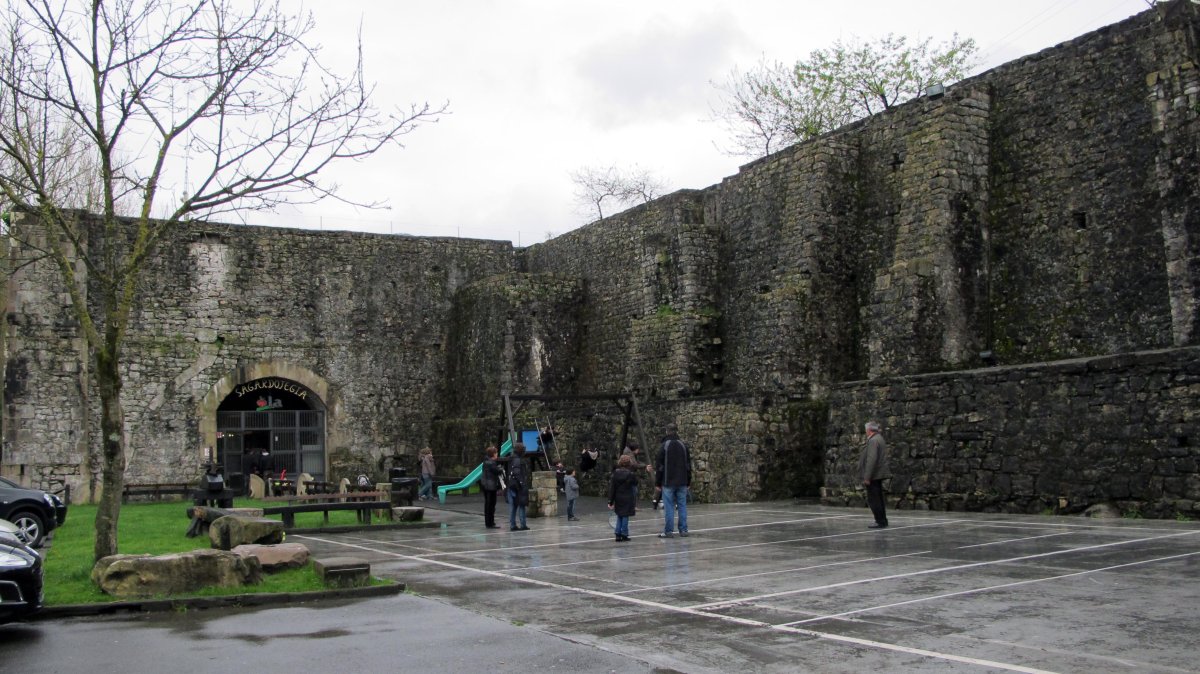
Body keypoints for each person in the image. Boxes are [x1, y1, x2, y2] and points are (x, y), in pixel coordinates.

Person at [655, 422, 691, 538]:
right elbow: (688, 465)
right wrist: (688, 481)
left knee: (669, 506)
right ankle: (683, 530)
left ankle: (668, 531)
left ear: (667, 431)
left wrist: (657, 482)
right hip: (682, 481)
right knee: (682, 506)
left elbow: (660, 466)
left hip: (668, 481)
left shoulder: (664, 446)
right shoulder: (683, 445)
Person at [860, 420, 890, 529]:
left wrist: (867, 477)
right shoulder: (879, 438)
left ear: (869, 430)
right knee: (878, 498)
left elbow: (871, 459)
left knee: (874, 499)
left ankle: (879, 520)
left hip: (874, 474)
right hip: (878, 474)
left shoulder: (873, 440)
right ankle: (882, 520)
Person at [608, 454, 638, 542]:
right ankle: (624, 534)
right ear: (629, 463)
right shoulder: (630, 474)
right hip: (628, 497)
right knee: (625, 516)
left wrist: (610, 501)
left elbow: (612, 488)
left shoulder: (615, 474)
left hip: (618, 497)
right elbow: (635, 483)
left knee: (619, 515)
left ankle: (617, 534)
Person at [480, 445, 506, 529]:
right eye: (496, 453)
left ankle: (489, 522)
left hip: (486, 485)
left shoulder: (486, 461)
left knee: (488, 504)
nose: (497, 454)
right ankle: (490, 523)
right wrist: (501, 468)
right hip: (490, 486)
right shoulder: (491, 463)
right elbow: (497, 471)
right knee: (491, 505)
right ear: (493, 454)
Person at [507, 443, 530, 531]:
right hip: (517, 486)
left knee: (514, 506)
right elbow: (517, 473)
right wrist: (522, 483)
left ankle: (513, 525)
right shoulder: (517, 460)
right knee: (521, 504)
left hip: (512, 485)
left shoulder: (511, 459)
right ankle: (522, 524)